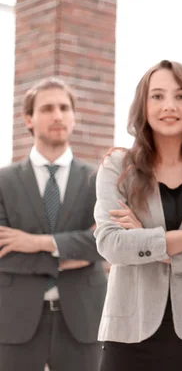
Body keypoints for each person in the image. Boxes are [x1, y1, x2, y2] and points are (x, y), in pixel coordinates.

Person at [93, 60, 182, 370]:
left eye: (180, 96)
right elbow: (111, 245)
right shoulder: (117, 166)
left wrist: (143, 239)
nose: (169, 106)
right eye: (158, 96)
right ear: (143, 105)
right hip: (129, 333)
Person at [0, 77, 106, 371]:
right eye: (47, 108)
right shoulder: (3, 182)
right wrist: (70, 255)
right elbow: (3, 253)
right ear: (29, 119)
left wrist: (38, 244)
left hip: (84, 319)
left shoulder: (99, 180)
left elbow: (105, 244)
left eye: (64, 107)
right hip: (14, 321)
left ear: (73, 117)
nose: (58, 115)